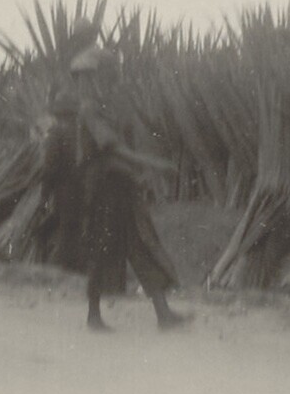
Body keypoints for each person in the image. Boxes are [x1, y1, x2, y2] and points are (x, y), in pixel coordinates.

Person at [42, 18, 191, 332]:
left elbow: (124, 144)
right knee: (102, 248)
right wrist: (151, 163)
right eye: (106, 74)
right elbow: (112, 148)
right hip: (103, 188)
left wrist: (141, 168)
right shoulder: (89, 109)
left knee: (142, 243)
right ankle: (94, 315)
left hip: (121, 183)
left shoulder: (108, 106)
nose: (110, 78)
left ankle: (163, 313)